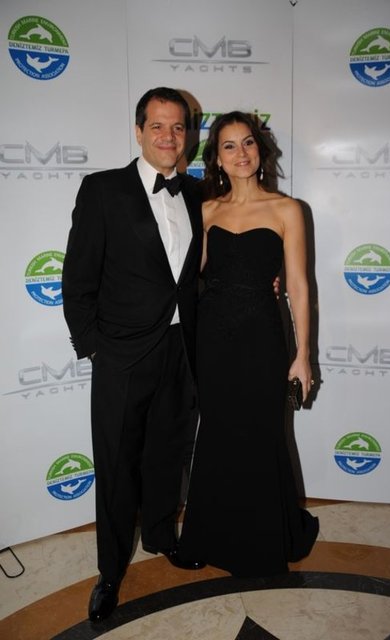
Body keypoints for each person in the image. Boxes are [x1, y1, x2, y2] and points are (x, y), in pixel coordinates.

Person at [62, 87, 206, 623]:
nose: (169, 136)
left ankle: (162, 536)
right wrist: (96, 349)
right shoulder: (103, 190)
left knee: (168, 453)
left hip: (181, 350)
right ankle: (109, 571)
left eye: (178, 127)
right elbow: (77, 278)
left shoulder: (197, 193)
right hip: (122, 355)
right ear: (139, 130)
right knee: (117, 467)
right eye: (158, 126)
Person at [178, 111, 319, 577]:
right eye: (229, 146)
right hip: (213, 339)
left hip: (263, 337)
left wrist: (303, 355)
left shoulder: (287, 209)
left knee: (262, 435)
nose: (241, 153)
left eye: (248, 143)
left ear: (260, 150)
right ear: (216, 158)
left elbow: (298, 285)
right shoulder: (206, 211)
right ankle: (207, 536)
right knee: (217, 435)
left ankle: (263, 543)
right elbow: (189, 277)